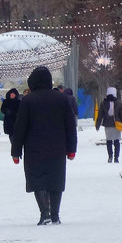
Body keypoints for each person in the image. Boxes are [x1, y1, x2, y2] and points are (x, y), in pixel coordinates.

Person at [11, 66, 77, 225]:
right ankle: (55, 214)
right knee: (56, 179)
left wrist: (16, 151)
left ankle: (44, 213)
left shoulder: (28, 100)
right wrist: (71, 148)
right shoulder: (61, 98)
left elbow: (20, 127)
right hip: (57, 147)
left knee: (37, 179)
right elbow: (70, 125)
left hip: (34, 148)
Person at [95, 86, 122, 163]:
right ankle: (116, 158)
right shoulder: (119, 103)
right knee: (116, 141)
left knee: (109, 141)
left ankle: (110, 157)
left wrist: (98, 124)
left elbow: (100, 115)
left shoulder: (103, 103)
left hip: (107, 124)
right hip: (117, 124)